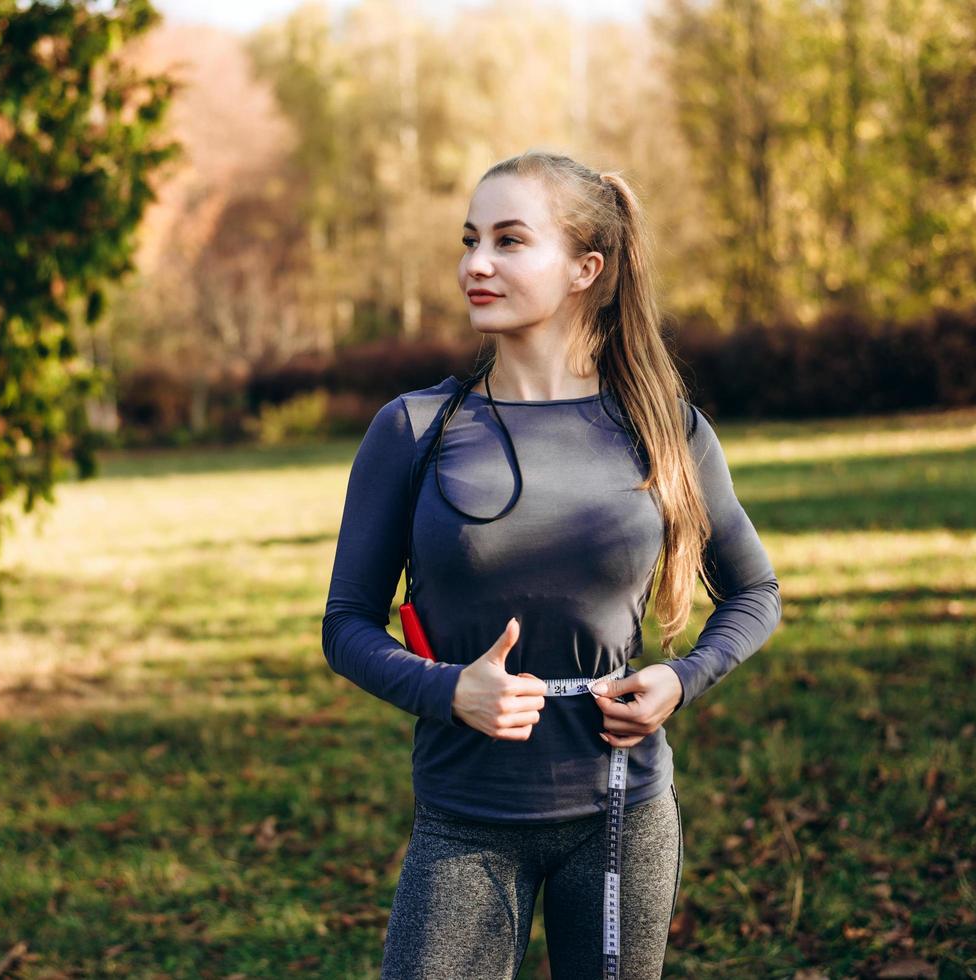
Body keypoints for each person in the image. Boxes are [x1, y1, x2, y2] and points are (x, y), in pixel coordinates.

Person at [320, 149, 782, 979]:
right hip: (465, 818)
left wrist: (684, 677)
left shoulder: (661, 426)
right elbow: (345, 624)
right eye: (469, 240)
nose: (476, 264)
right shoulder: (412, 429)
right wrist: (446, 689)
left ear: (584, 269)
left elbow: (755, 592)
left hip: (622, 815)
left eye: (508, 240)